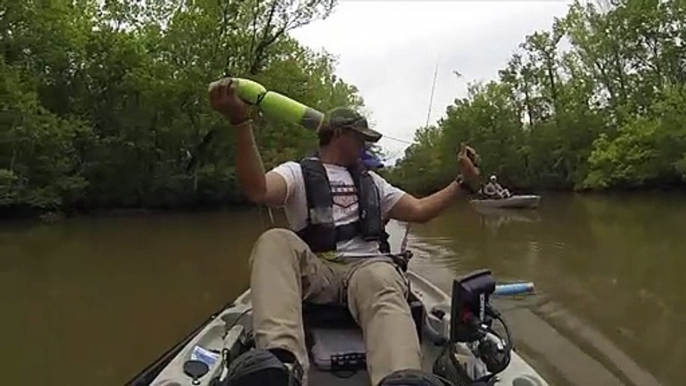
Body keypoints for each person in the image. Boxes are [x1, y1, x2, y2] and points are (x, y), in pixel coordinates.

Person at [208, 79, 481, 386]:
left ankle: (400, 379)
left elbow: (420, 211)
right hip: (317, 272)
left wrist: (463, 184)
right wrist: (241, 122)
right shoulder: (296, 173)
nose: (365, 145)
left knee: (381, 276)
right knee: (274, 240)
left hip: (367, 270)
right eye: (360, 137)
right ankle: (282, 366)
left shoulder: (374, 182)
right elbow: (258, 189)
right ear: (338, 134)